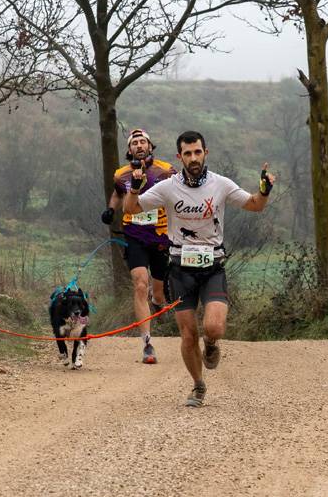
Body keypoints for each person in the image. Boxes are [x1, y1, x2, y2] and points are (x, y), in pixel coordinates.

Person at [122, 130, 274, 407]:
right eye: (188, 153)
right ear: (179, 157)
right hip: (180, 269)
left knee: (213, 327)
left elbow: (254, 205)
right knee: (188, 334)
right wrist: (134, 189)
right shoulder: (168, 187)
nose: (193, 158)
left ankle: (212, 344)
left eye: (198, 152)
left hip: (213, 267)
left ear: (205, 153)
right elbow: (131, 209)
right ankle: (198, 385)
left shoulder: (221, 184)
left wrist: (263, 190)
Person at [102, 128, 175, 364]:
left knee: (158, 292)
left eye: (143, 142)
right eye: (135, 143)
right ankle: (147, 343)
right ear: (129, 150)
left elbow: (178, 194)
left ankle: (158, 301)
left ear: (150, 147)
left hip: (161, 236)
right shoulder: (121, 174)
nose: (139, 145)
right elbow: (117, 193)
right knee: (140, 284)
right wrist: (111, 209)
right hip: (133, 234)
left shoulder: (166, 171)